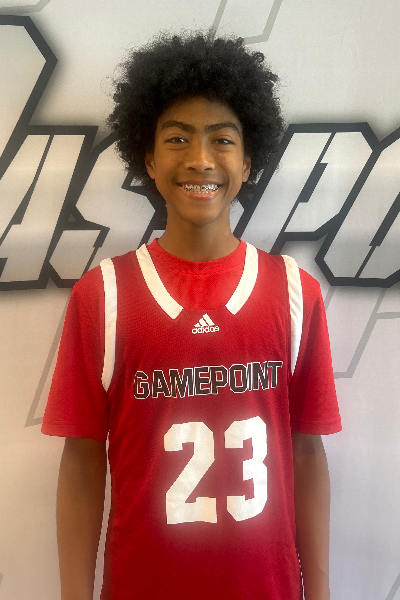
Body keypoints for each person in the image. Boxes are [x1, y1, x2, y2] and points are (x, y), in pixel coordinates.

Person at [42, 32, 341, 600]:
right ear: (149, 159)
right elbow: (81, 460)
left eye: (222, 139)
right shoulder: (103, 295)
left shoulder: (294, 292)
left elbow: (306, 452)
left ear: (248, 161)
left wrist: (320, 591)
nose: (200, 159)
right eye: (177, 138)